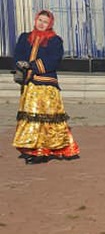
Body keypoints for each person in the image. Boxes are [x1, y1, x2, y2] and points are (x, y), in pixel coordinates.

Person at [13, 10, 80, 163]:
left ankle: (47, 150)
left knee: (48, 119)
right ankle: (34, 148)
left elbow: (54, 59)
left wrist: (31, 66)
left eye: (45, 21)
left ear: (50, 24)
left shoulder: (55, 40)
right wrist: (20, 64)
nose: (41, 24)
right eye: (40, 20)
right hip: (30, 86)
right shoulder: (25, 37)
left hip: (47, 85)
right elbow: (18, 54)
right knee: (31, 119)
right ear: (35, 20)